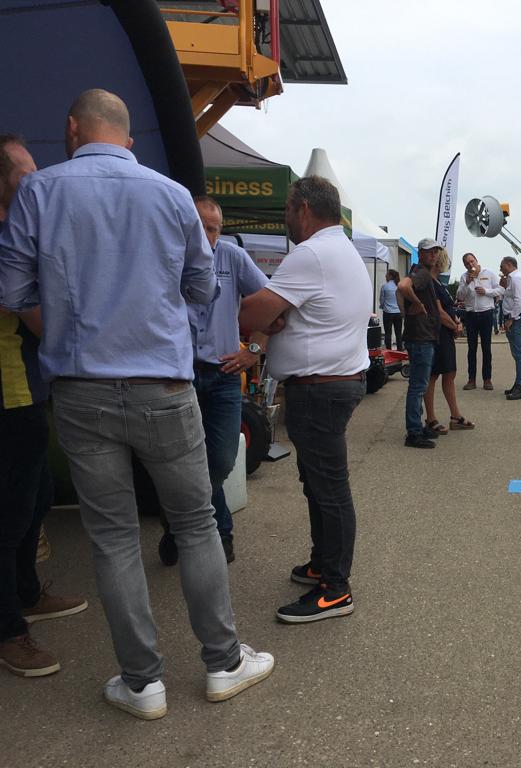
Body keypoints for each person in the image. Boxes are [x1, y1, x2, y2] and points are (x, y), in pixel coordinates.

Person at [0, 89, 272, 718]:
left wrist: (72, 316)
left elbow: (13, 290)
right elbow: (202, 288)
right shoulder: (173, 196)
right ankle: (223, 664)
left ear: (72, 129)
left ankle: (143, 683)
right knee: (196, 523)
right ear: (127, 139)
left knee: (114, 537)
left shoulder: (39, 192)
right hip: (164, 385)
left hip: (80, 390)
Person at [239, 175, 370, 624]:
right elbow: (280, 315)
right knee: (318, 483)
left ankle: (335, 589)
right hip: (330, 384)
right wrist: (276, 319)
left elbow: (252, 312)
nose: (286, 219)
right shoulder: (339, 250)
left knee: (328, 488)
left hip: (320, 388)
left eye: (287, 210)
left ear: (304, 209)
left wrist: (268, 319)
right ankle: (323, 564)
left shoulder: (311, 253)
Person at [0, 134, 87, 679]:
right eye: (26, 172)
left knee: (37, 500)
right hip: (8, 393)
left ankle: (27, 594)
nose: (37, 180)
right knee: (10, 514)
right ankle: (8, 629)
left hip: (30, 389)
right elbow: (36, 317)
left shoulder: (19, 234)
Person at [157, 195, 269, 567]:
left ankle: (178, 523)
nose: (207, 235)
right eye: (200, 226)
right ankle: (218, 532)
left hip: (223, 377)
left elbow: (272, 307)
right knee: (178, 461)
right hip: (178, 376)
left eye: (213, 228)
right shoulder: (165, 257)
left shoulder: (232, 258)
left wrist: (254, 350)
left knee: (219, 461)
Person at [423, 248, 474, 435]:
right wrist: (454, 326)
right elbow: (438, 311)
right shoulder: (431, 283)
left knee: (449, 373)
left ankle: (455, 415)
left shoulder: (438, 283)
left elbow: (446, 309)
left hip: (444, 334)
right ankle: (431, 418)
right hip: (437, 334)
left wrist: (455, 323)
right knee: (433, 375)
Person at [399, 242, 441, 448]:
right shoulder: (422, 272)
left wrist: (408, 311)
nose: (434, 255)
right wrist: (417, 304)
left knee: (419, 385)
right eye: (429, 252)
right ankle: (414, 432)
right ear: (421, 253)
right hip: (421, 337)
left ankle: (416, 427)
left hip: (420, 336)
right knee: (418, 386)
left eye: (436, 252)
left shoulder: (419, 272)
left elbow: (401, 291)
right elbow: (402, 287)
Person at [456, 252, 503, 390]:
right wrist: (467, 283)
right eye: (467, 263)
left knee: (486, 348)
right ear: (464, 265)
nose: (470, 264)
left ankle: (487, 379)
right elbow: (459, 296)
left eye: (472, 261)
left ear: (476, 260)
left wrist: (486, 291)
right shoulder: (464, 277)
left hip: (486, 313)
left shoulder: (488, 273)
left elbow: (500, 289)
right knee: (471, 348)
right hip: (471, 314)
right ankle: (471, 379)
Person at [500, 255, 521, 400]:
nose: (501, 269)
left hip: (517, 318)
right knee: (517, 354)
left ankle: (520, 386)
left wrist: (511, 318)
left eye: (502, 266)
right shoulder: (517, 277)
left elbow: (519, 300)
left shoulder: (516, 278)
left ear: (508, 264)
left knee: (518, 355)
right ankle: (518, 384)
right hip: (518, 317)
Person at [379, 269, 403, 351]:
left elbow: (382, 300)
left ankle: (389, 351)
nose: (385, 276)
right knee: (398, 333)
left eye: (387, 274)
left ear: (390, 276)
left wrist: (382, 306)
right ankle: (400, 350)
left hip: (388, 312)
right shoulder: (399, 286)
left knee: (388, 333)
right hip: (398, 312)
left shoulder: (385, 286)